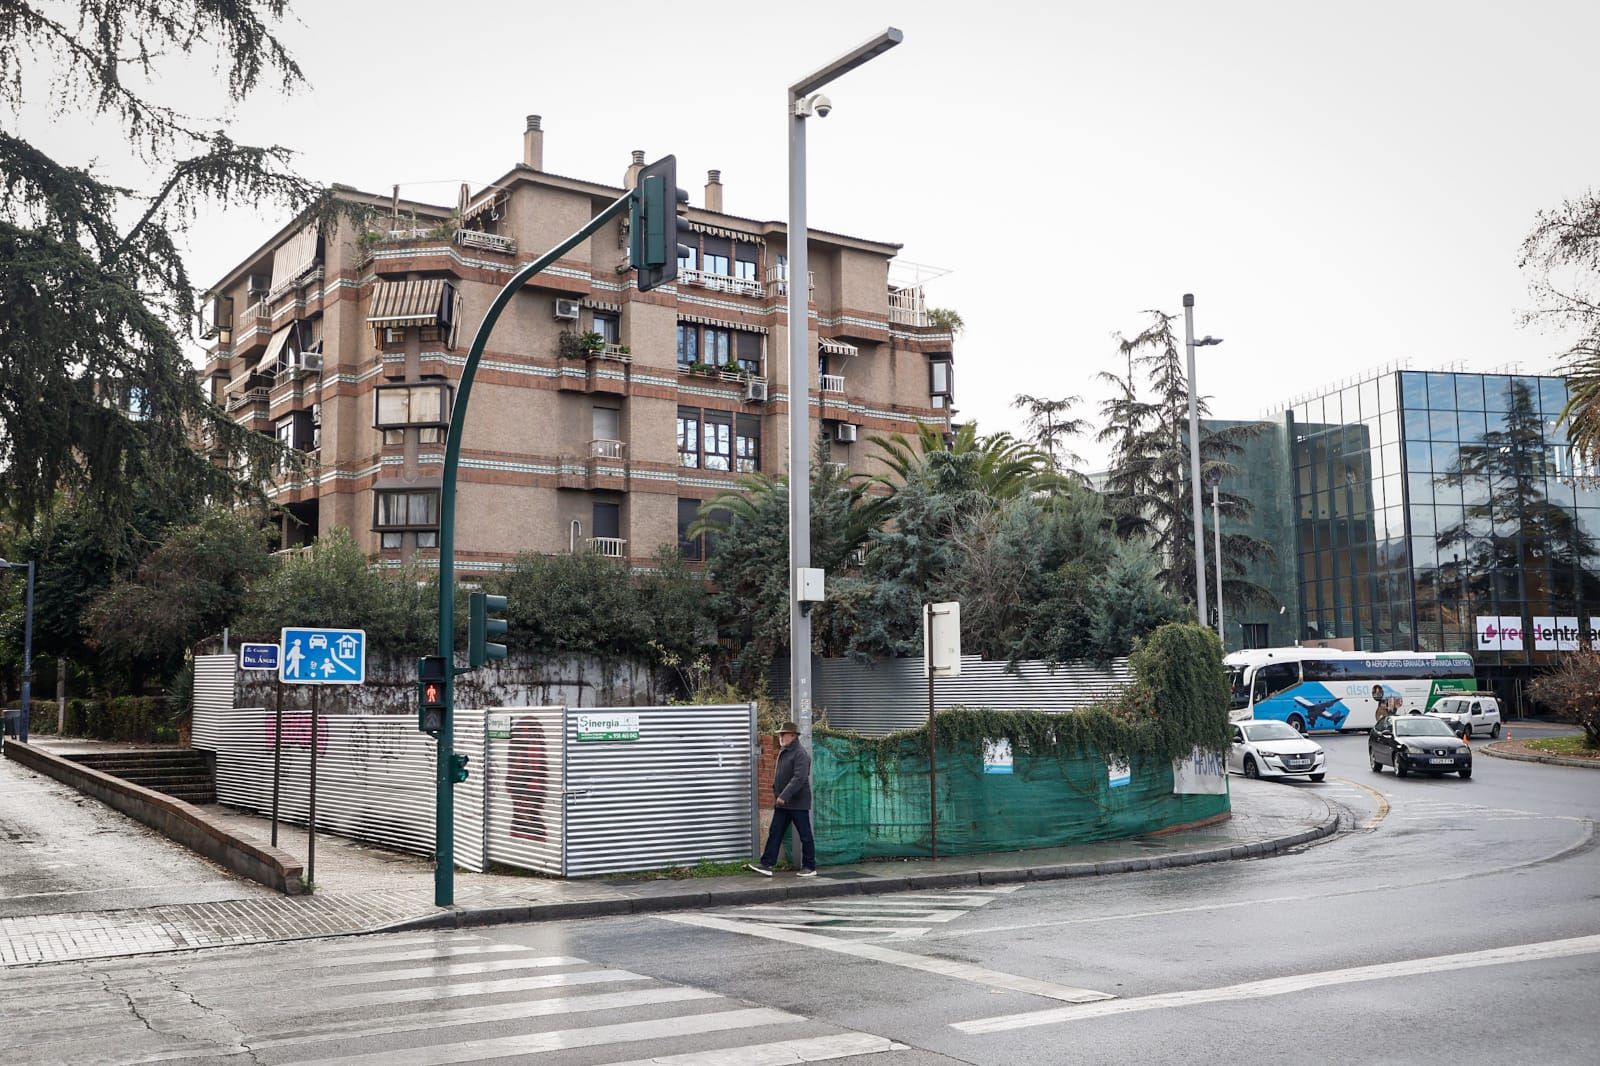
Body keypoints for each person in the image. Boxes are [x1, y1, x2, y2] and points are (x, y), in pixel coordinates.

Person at [746, 722, 816, 877]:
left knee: (805, 834)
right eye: (780, 734)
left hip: (797, 802)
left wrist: (784, 795)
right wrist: (777, 794)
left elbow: (799, 778)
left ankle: (810, 867)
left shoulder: (800, 754)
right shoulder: (785, 751)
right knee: (775, 831)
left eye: (783, 734)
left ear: (793, 735)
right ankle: (767, 864)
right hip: (783, 803)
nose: (780, 737)